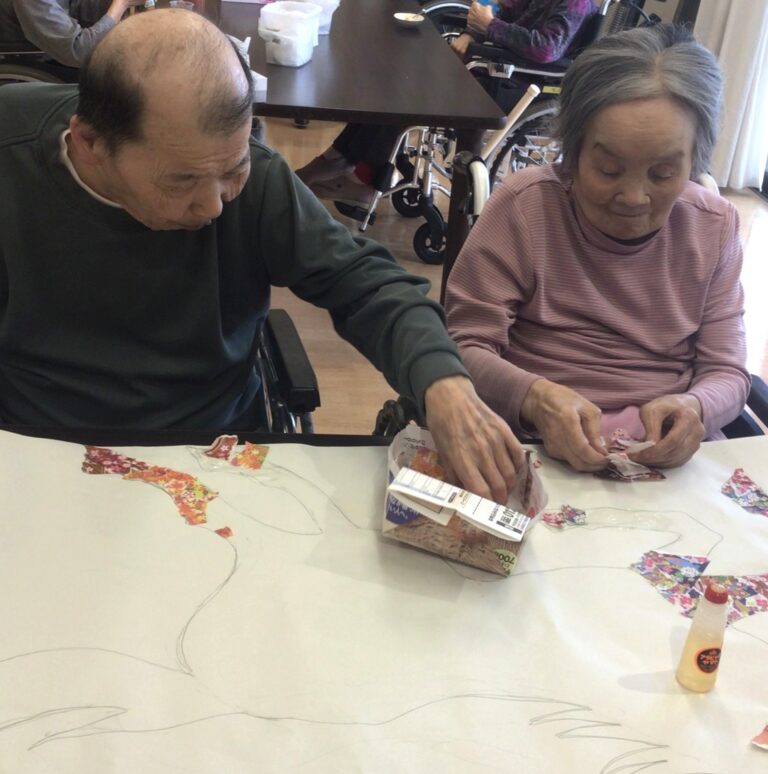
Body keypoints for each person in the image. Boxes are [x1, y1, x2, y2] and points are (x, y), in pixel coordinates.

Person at [0, 8, 523, 502]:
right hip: (37, 447)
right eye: (181, 180)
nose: (213, 206)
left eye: (233, 170)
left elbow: (367, 284)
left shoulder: (259, 182)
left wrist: (443, 382)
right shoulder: (11, 158)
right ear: (90, 144)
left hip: (209, 445)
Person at [446, 23, 750, 472]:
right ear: (572, 152)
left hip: (666, 462)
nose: (634, 197)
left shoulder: (714, 226)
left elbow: (728, 372)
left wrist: (697, 407)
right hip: (527, 443)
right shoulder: (525, 207)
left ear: (695, 161)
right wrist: (534, 398)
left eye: (663, 174)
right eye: (608, 169)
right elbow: (462, 347)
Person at [297, 0, 598, 208]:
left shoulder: (576, 3)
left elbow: (547, 49)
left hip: (511, 82)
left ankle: (357, 172)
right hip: (492, 67)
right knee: (396, 77)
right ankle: (348, 162)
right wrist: (472, 30)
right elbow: (501, 10)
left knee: (404, 90)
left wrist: (490, 27)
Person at [0, 0, 145, 68]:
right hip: (37, 59)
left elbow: (77, 7)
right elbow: (78, 51)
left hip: (59, 47)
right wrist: (120, 5)